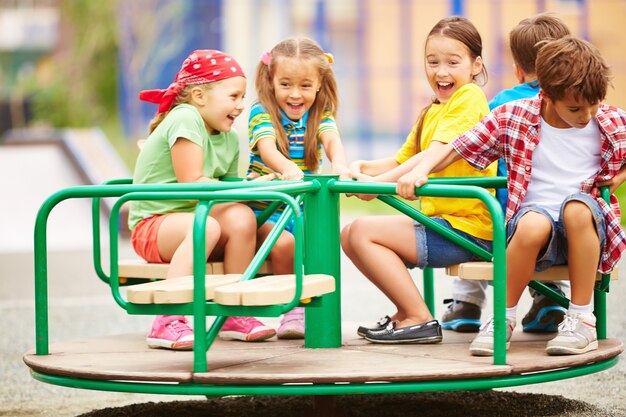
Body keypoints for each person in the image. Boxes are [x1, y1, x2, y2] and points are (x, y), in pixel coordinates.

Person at [401, 36, 626, 356]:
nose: (586, 115)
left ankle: (581, 319)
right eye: (575, 108)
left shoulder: (609, 120)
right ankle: (503, 318)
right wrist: (420, 170)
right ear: (546, 94)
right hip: (535, 226)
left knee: (576, 207)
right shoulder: (514, 116)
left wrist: (617, 177)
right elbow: (459, 146)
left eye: (594, 104)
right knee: (533, 222)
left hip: (585, 227)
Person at [341, 16, 496, 344]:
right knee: (351, 233)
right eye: (432, 62)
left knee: (363, 232)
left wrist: (383, 183)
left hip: (468, 228)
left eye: (453, 62)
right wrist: (365, 168)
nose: (441, 72)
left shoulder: (470, 98)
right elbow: (404, 158)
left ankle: (418, 317)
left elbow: (439, 151)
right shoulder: (433, 110)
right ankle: (407, 312)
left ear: (474, 65)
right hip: (441, 223)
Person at [129, 49, 277, 350]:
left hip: (195, 220)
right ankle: (167, 319)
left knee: (241, 217)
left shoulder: (229, 138)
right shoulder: (185, 117)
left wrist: (248, 191)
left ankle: (235, 313)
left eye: (242, 98)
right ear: (199, 95)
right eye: (233, 97)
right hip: (154, 226)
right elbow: (192, 183)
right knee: (206, 226)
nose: (240, 106)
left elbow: (223, 194)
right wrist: (245, 189)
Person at [442, 13, 572, 334]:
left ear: (517, 69)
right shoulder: (574, 102)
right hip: (566, 215)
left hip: (512, 220)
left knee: (478, 217)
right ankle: (552, 300)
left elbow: (475, 152)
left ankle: (467, 304)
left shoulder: (503, 104)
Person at [248, 37, 349, 339]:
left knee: (321, 241)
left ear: (319, 84)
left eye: (305, 85)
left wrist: (340, 166)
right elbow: (267, 149)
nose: (295, 94)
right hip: (266, 208)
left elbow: (332, 142)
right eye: (286, 84)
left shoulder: (320, 115)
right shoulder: (261, 112)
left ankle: (319, 315)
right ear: (271, 81)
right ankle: (291, 309)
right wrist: (289, 169)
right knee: (285, 244)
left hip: (300, 206)